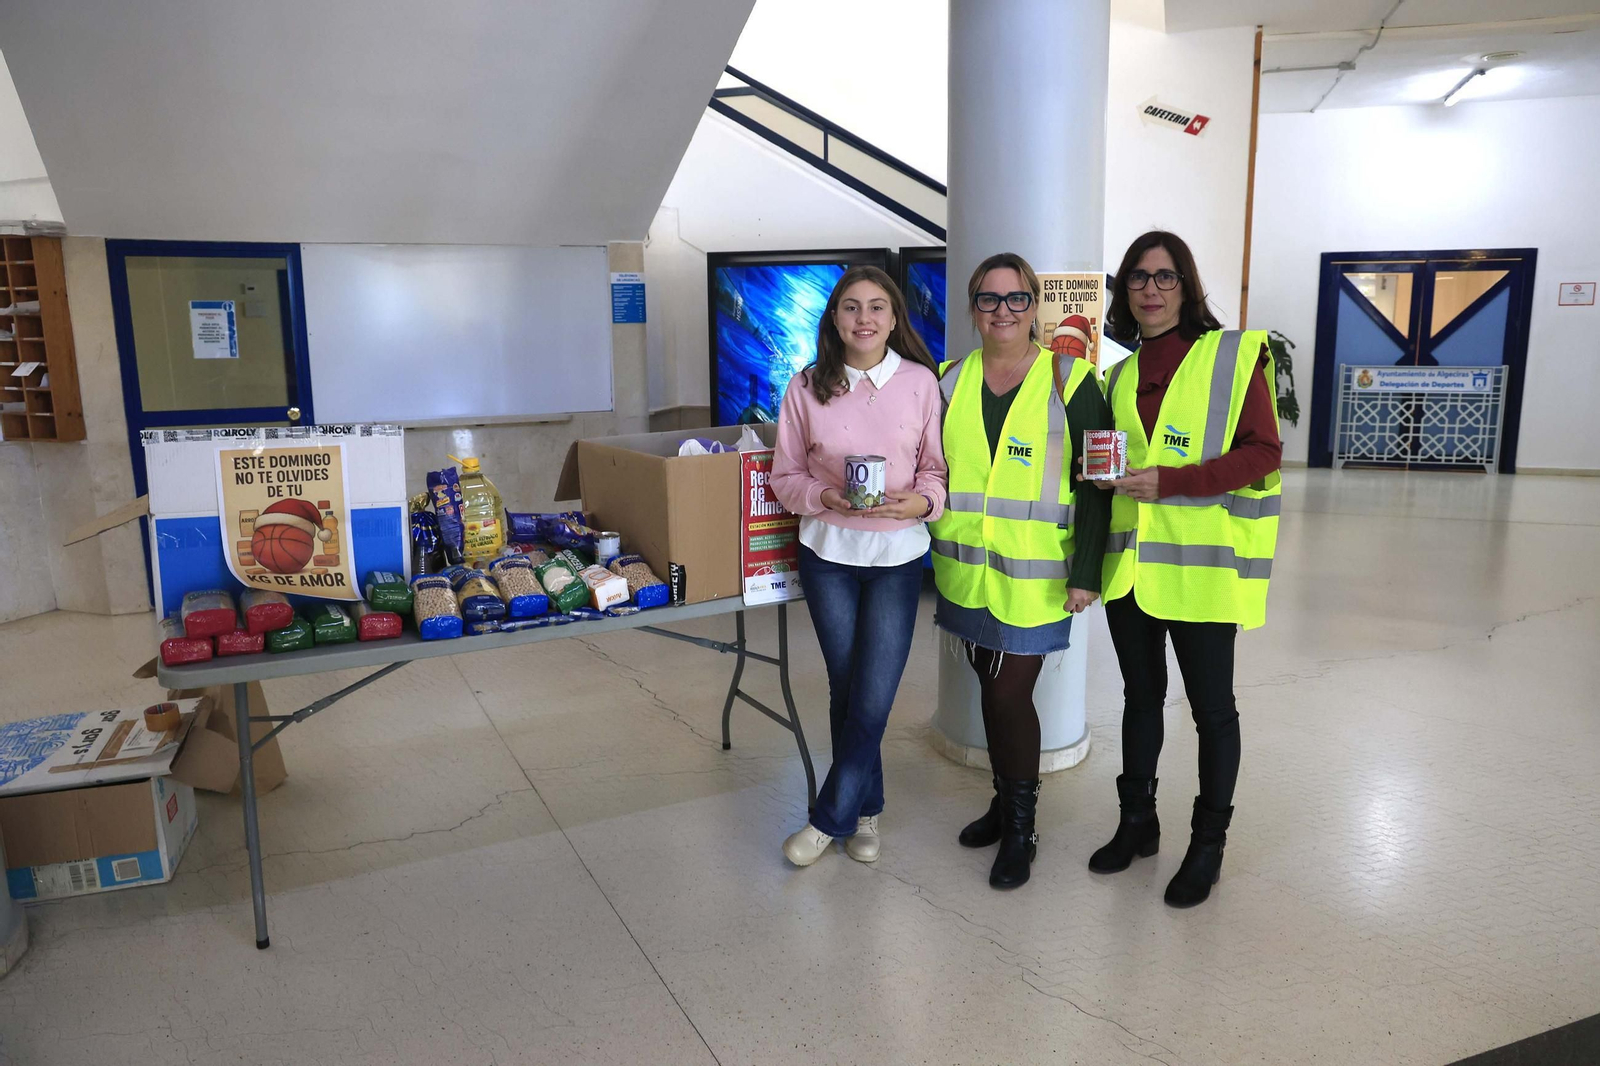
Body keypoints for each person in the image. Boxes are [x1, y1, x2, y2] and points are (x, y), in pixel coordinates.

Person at [1083, 230, 1282, 908]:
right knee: (1139, 701)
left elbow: (1263, 453)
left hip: (1199, 570)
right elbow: (1117, 461)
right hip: (1131, 569)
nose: (1150, 290)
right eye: (1138, 278)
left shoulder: (1229, 357)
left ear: (1187, 286)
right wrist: (1109, 479)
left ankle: (1207, 847)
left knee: (1211, 711)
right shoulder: (1116, 374)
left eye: (1164, 277)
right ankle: (1137, 822)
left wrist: (1172, 481)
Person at [930, 252, 1112, 890]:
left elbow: (1098, 484)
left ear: (1035, 307)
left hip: (1039, 576)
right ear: (974, 308)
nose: (1002, 311)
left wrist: (1087, 569)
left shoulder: (1073, 380)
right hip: (965, 569)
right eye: (988, 299)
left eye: (1015, 299)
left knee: (1010, 694)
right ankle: (1001, 804)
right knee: (988, 684)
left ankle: (1023, 826)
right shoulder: (949, 380)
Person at [771, 265, 948, 867]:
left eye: (877, 307)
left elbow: (936, 470)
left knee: (873, 695)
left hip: (898, 556)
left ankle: (827, 820)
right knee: (847, 689)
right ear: (834, 318)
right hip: (828, 555)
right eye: (851, 307)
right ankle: (866, 811)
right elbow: (786, 477)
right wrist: (824, 498)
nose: (864, 319)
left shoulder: (922, 383)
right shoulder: (806, 387)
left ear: (895, 318)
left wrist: (923, 502)